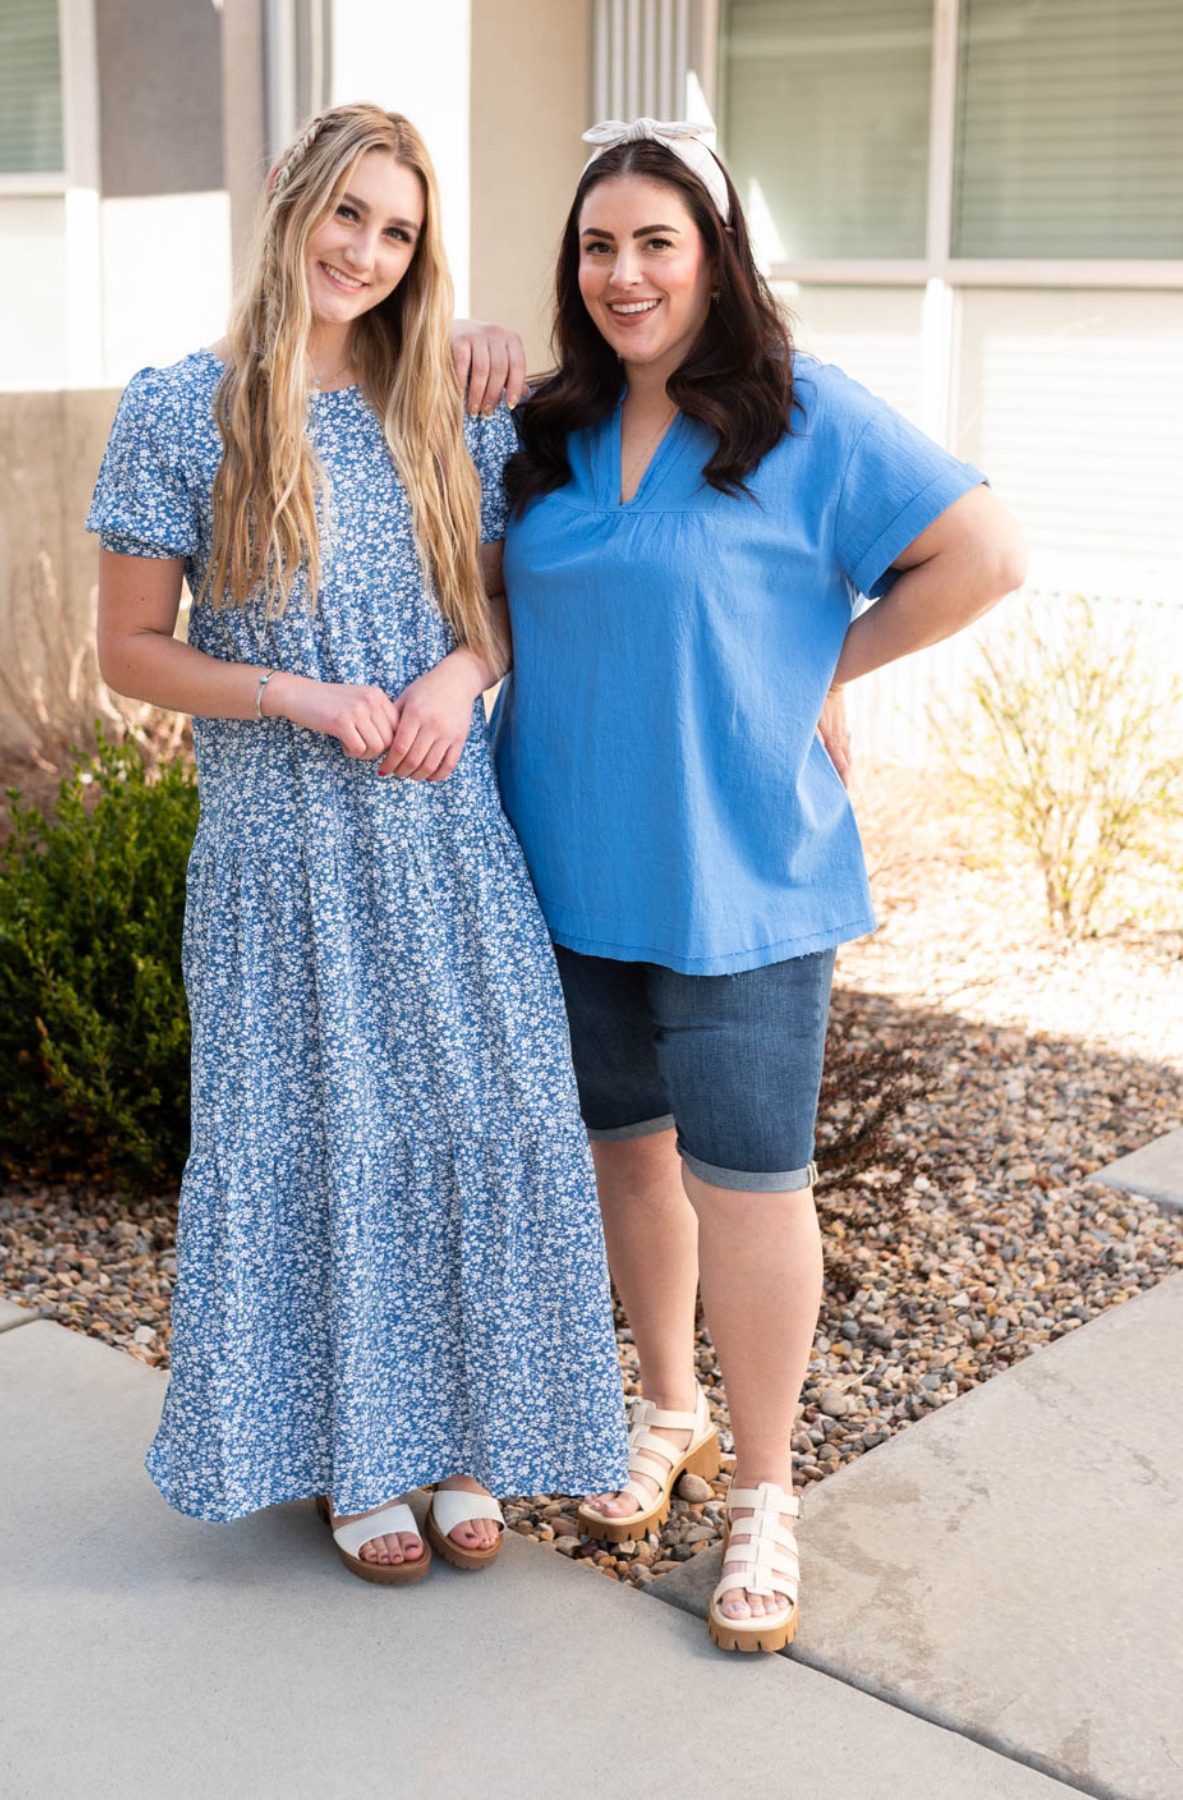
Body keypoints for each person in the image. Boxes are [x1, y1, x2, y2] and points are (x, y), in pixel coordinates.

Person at [489, 117, 1028, 1650]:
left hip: (744, 875)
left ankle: (764, 1498)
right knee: (629, 1157)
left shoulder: (806, 419)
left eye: (656, 240)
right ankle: (666, 1413)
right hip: (566, 861)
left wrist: (822, 664)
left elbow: (984, 552)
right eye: (597, 245)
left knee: (751, 1185)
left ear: (716, 257)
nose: (622, 272)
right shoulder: (546, 429)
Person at [86, 103, 628, 1582]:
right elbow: (130, 650)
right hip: (280, 846)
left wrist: (459, 674)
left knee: (484, 1120)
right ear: (285, 200)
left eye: (396, 231)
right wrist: (293, 692)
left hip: (446, 830)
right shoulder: (178, 407)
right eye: (347, 216)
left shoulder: (450, 399)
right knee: (315, 1141)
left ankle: (459, 1438)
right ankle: (349, 1457)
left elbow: (502, 604)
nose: (365, 253)